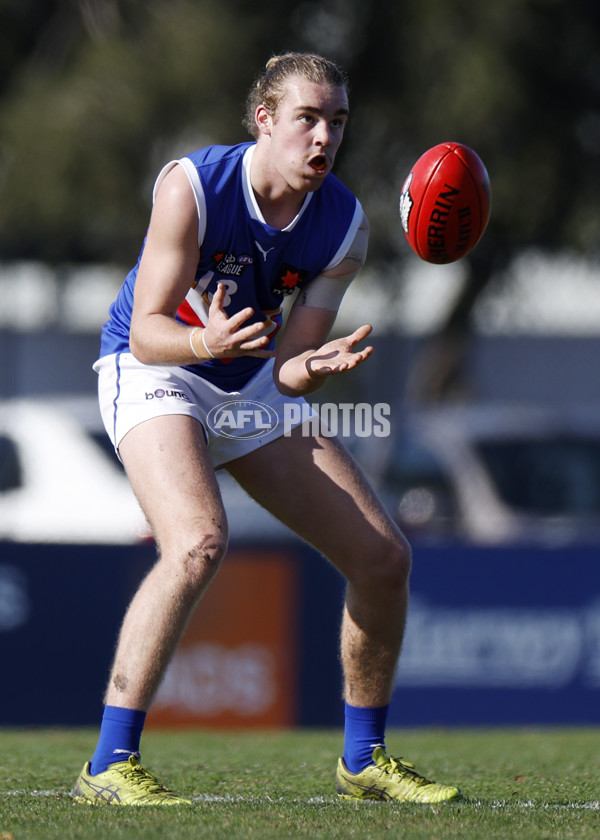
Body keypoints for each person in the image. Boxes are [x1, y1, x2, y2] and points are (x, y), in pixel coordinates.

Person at [72, 52, 461, 806]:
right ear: (265, 121)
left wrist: (308, 370)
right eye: (308, 119)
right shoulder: (193, 185)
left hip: (242, 384)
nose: (324, 138)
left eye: (337, 122)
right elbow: (149, 330)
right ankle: (108, 765)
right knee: (197, 542)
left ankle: (364, 760)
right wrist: (203, 344)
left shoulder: (342, 224)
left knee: (383, 558)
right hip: (155, 368)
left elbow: (281, 370)